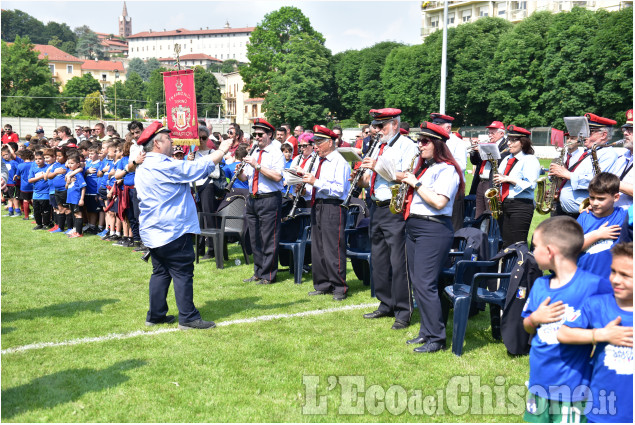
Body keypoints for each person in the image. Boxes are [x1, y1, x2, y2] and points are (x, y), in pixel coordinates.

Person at [135, 121, 232, 330]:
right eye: (168, 138)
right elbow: (199, 168)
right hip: (171, 229)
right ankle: (188, 317)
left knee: (160, 272)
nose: (172, 141)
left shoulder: (144, 165)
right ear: (158, 144)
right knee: (182, 271)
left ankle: (156, 315)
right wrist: (222, 149)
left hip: (154, 230)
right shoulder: (163, 164)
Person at [521, 216, 612, 423]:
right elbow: (526, 326)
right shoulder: (540, 286)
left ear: (550, 251)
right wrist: (535, 318)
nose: (532, 252)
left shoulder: (594, 285)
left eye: (535, 246)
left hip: (574, 389)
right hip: (539, 386)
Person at [401, 122, 463, 353]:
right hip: (416, 226)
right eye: (419, 141)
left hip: (433, 228)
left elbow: (439, 202)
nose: (420, 145)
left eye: (424, 141)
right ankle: (426, 331)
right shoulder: (426, 167)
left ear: (437, 144)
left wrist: (415, 183)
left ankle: (437, 337)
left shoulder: (447, 169)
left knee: (426, 284)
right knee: (418, 283)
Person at [557, 242, 633, 424]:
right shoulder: (597, 305)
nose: (615, 279)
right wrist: (600, 335)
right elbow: (563, 333)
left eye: (625, 275)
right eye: (613, 271)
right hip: (604, 409)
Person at [357, 108, 418, 329]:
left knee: (398, 261)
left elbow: (406, 175)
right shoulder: (377, 146)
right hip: (376, 205)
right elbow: (369, 180)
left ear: (394, 124)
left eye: (381, 126)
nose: (376, 130)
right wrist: (360, 174)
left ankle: (403, 310)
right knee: (379, 259)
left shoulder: (407, 146)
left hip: (395, 208)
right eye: (375, 126)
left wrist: (378, 167)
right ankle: (386, 303)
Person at [303, 125, 351, 301]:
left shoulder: (340, 162)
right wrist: (304, 189)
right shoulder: (317, 160)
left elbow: (339, 190)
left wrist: (315, 181)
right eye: (314, 142)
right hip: (318, 204)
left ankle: (339, 286)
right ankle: (322, 283)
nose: (315, 146)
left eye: (319, 142)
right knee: (318, 247)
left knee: (333, 247)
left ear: (330, 143)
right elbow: (313, 186)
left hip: (333, 205)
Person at [237, 118, 285, 285]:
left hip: (269, 199)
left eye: (260, 134)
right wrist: (240, 173)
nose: (256, 137)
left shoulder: (276, 153)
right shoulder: (254, 152)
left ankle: (269, 274)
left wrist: (257, 166)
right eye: (255, 134)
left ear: (269, 135)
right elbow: (248, 177)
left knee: (268, 238)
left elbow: (278, 176)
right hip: (253, 198)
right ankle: (258, 272)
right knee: (255, 238)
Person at [551, 113, 619, 216]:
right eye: (583, 132)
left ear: (603, 135)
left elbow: (600, 182)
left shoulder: (608, 154)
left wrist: (568, 175)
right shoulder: (587, 152)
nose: (583, 136)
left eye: (589, 132)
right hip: (566, 211)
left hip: (585, 213)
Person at [493, 125, 541, 248]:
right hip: (504, 203)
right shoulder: (507, 159)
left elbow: (531, 184)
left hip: (521, 205)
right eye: (508, 140)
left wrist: (508, 179)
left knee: (518, 243)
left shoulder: (530, 160)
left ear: (523, 143)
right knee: (506, 243)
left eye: (513, 140)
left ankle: (519, 266)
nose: (509, 143)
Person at [576, 172, 627, 279]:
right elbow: (572, 248)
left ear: (616, 197)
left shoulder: (624, 217)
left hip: (609, 281)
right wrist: (597, 235)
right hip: (582, 277)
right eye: (592, 197)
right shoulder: (584, 216)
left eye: (601, 199)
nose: (594, 203)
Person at [430, 113, 467, 231]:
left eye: (438, 125)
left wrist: (442, 163)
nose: (435, 128)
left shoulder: (458, 143)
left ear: (448, 128)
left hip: (454, 188)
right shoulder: (433, 141)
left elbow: (461, 166)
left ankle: (455, 248)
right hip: (435, 187)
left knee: (454, 224)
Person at [472, 120, 509, 218]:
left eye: (492, 133)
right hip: (481, 181)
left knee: (490, 212)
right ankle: (479, 231)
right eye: (489, 133)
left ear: (501, 133)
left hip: (491, 182)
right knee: (479, 212)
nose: (490, 135)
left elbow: (500, 161)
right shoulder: (488, 144)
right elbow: (475, 162)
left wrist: (483, 150)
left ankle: (489, 232)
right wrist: (474, 151)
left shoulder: (505, 146)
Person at [550, 133, 585, 218]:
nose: (569, 140)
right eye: (568, 138)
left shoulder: (583, 157)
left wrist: (565, 174)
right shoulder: (559, 156)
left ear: (579, 141)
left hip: (574, 201)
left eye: (572, 138)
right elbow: (550, 177)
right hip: (557, 199)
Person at [613, 109, 633, 209]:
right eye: (625, 129)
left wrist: (610, 182)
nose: (625, 133)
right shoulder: (621, 158)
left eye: (631, 130)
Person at [28, 150, 51, 230]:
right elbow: (30, 180)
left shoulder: (48, 168)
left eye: (40, 158)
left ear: (44, 159)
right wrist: (40, 177)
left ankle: (46, 224)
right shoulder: (33, 169)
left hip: (45, 193)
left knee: (45, 210)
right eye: (36, 159)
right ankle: (39, 224)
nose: (38, 160)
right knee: (36, 210)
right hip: (36, 193)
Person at [65, 154, 86, 238]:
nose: (70, 165)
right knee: (74, 214)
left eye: (72, 163)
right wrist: (68, 182)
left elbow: (83, 187)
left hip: (76, 198)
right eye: (69, 163)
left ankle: (79, 233)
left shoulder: (78, 174)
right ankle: (76, 231)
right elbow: (66, 187)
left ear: (78, 164)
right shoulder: (69, 173)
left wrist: (81, 199)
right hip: (70, 198)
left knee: (78, 214)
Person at [16, 149, 34, 220]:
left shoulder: (20, 165)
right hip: (33, 184)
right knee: (33, 200)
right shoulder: (34, 164)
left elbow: (18, 176)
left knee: (26, 200)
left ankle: (26, 216)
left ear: (22, 157)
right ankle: (37, 214)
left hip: (24, 186)